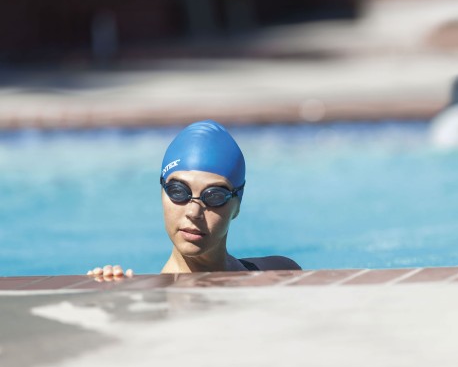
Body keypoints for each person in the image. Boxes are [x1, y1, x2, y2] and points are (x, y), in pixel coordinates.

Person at [88, 120, 301, 280]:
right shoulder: (146, 303)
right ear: (162, 193)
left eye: (214, 196)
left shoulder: (283, 272)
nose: (193, 212)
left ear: (237, 205)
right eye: (178, 191)